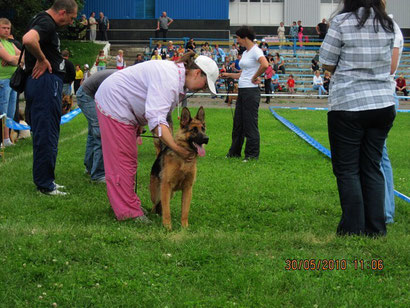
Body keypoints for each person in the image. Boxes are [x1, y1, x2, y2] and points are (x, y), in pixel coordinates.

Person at [94, 53, 218, 222]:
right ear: (197, 73)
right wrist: (176, 148)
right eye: (204, 85)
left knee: (128, 160)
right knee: (123, 160)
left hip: (124, 106)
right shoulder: (169, 79)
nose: (202, 89)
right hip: (115, 103)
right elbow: (158, 120)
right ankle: (127, 213)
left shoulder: (175, 77)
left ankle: (127, 205)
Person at [320, 0, 397, 236]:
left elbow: (327, 61)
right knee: (372, 167)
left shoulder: (342, 22)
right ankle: (376, 228)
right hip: (383, 102)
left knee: (348, 170)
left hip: (349, 104)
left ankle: (352, 229)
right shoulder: (388, 24)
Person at [23, 0, 78, 195]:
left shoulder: (40, 19)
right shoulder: (46, 22)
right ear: (62, 12)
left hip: (45, 83)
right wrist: (42, 59)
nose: (71, 22)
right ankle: (45, 184)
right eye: (71, 18)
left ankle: (47, 180)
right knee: (46, 133)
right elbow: (29, 39)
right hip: (45, 84)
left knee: (48, 132)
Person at [222, 26, 268, 162]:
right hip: (243, 90)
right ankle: (234, 152)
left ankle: (252, 155)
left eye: (238, 38)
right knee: (238, 124)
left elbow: (265, 65)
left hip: (250, 91)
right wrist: (228, 74)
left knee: (250, 124)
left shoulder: (256, 51)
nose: (237, 41)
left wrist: (255, 77)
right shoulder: (247, 52)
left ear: (244, 37)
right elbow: (244, 73)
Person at [76, 69, 117, 183]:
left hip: (90, 94)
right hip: (87, 96)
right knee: (100, 133)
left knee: (92, 134)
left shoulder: (122, 76)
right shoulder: (122, 80)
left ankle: (90, 167)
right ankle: (98, 174)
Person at [0, 18, 20, 147]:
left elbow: (24, 55)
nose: (7, 30)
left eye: (8, 28)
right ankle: (2, 139)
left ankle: (7, 138)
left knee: (11, 111)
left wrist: (13, 59)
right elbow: (9, 58)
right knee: (2, 111)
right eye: (3, 28)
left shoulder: (10, 43)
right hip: (3, 80)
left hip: (13, 80)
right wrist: (11, 59)